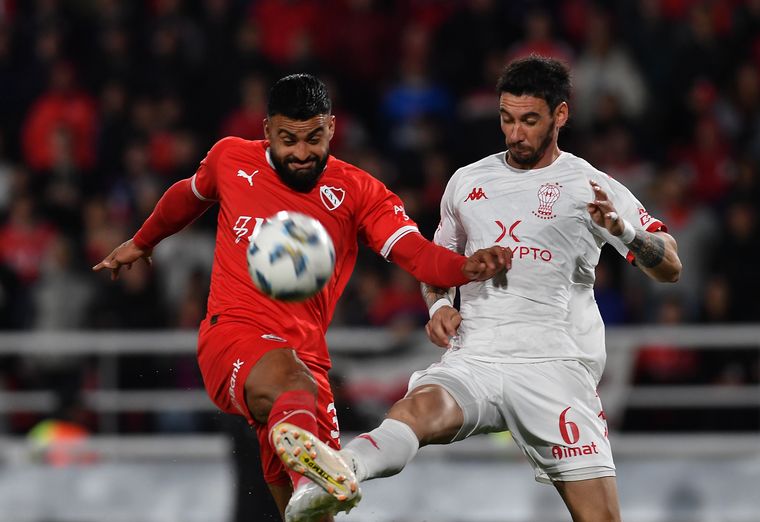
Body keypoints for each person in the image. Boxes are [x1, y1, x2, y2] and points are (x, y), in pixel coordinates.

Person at [281, 56, 682, 521]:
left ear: (561, 115)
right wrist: (438, 308)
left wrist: (627, 233)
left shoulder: (590, 185)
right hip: (477, 355)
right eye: (507, 119)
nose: (515, 133)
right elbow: (434, 265)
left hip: (554, 368)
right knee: (413, 413)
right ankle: (343, 469)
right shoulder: (467, 181)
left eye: (529, 121)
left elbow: (670, 265)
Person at [92, 73, 509, 519]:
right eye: (288, 139)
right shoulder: (230, 159)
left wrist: (462, 268)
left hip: (307, 366)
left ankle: (305, 473)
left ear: (331, 127)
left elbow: (415, 254)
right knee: (294, 388)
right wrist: (143, 240)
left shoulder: (359, 192)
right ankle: (310, 470)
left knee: (309, 513)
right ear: (268, 130)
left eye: (313, 138)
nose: (302, 152)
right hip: (233, 334)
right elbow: (188, 196)